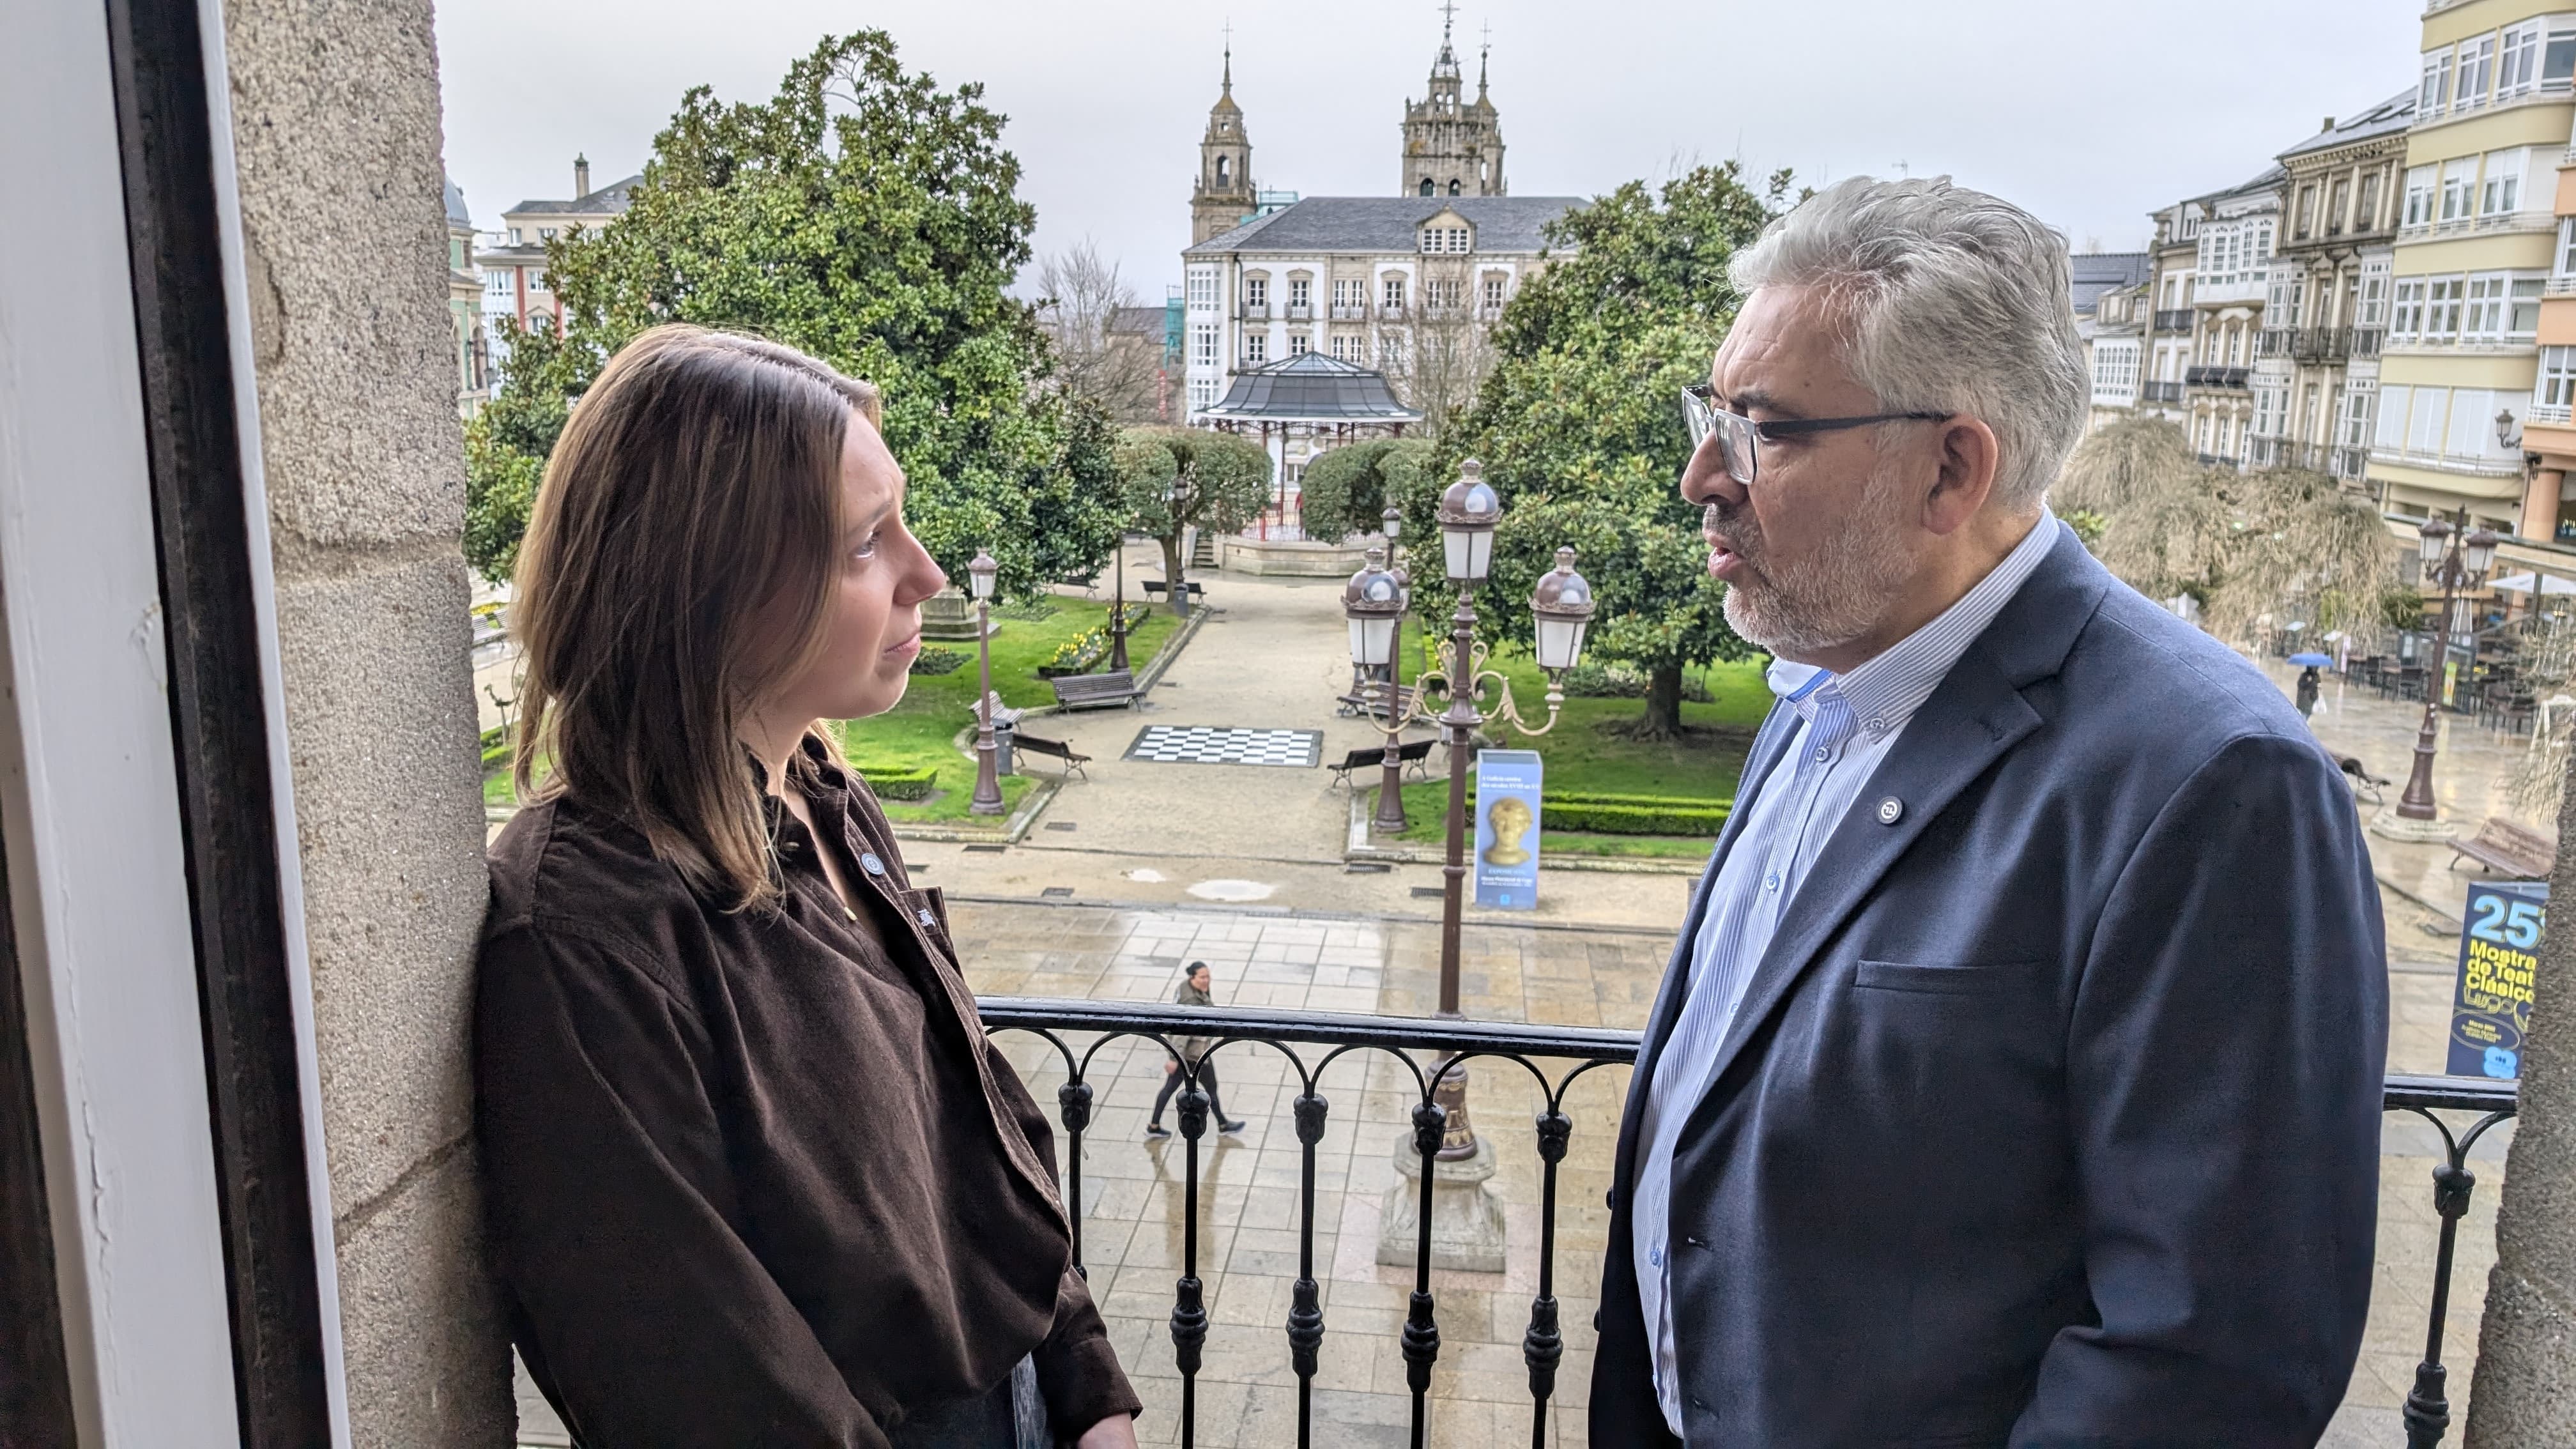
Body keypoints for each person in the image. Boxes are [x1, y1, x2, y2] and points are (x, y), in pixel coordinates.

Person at [1593, 178, 2388, 1447]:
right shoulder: (1819, 691)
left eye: (1764, 429)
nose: (1703, 475)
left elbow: (2213, 1359)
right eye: (1713, 416)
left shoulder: (2214, 782)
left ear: (1951, 467)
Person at [475, 325, 1140, 1449]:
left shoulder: (822, 791)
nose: (926, 573)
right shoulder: (584, 935)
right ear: (709, 587)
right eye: (865, 544)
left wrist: (1086, 1383)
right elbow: (702, 1383)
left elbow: (973, 1125)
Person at [1144, 962, 1245, 1138]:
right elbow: (1184, 1031)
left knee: (1171, 1088)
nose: (1207, 981)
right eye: (1202, 977)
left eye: (1208, 976)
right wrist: (1174, 1059)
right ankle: (1222, 1124)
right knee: (1209, 1088)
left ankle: (1154, 1126)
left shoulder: (1186, 987)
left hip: (1191, 1053)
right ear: (1193, 977)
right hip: (1194, 1055)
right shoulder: (1192, 1000)